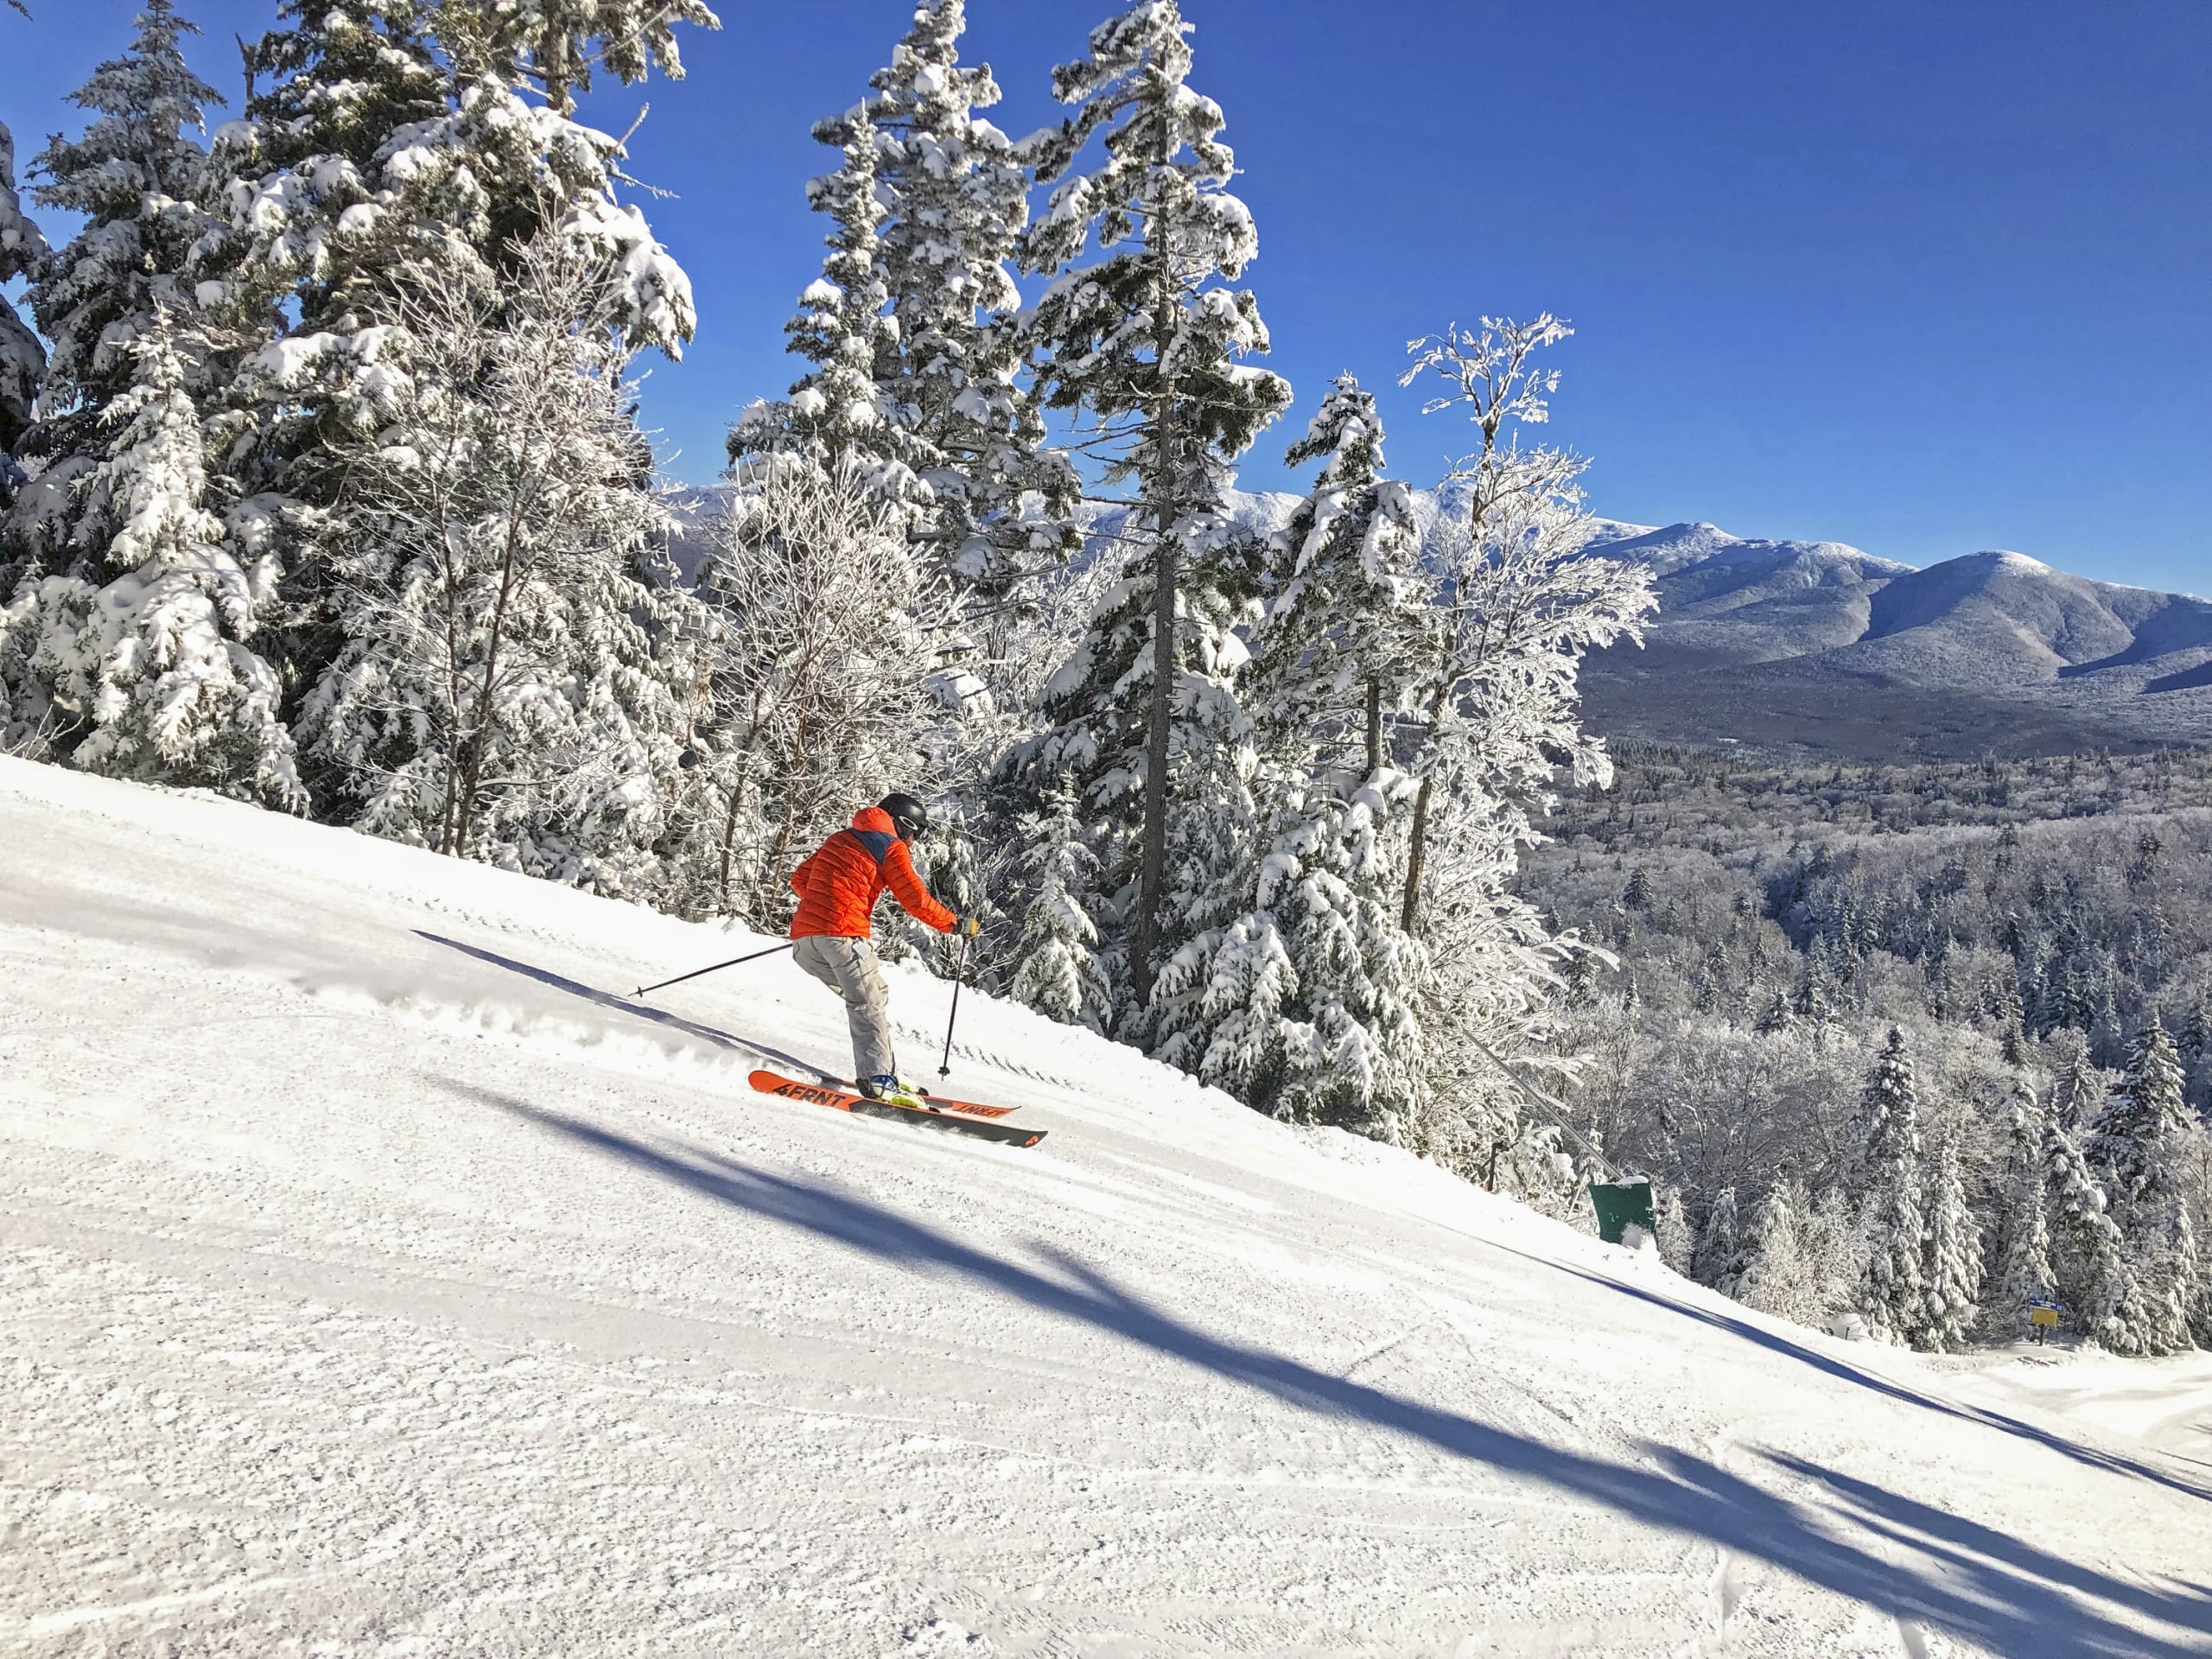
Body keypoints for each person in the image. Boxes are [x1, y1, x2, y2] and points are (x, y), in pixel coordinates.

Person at [788, 791, 980, 1106]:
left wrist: (823, 914)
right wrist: (955, 924)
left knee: (873, 995)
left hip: (804, 943)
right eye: (915, 833)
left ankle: (886, 1069)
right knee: (867, 1005)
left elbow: (800, 879)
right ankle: (877, 1079)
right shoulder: (891, 847)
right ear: (903, 824)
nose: (914, 841)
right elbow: (916, 900)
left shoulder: (840, 838)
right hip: (844, 938)